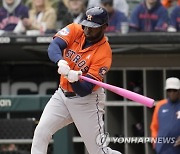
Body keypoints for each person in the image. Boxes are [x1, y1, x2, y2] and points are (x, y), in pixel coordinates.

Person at [31, 6, 122, 154]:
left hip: (87, 102)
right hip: (61, 96)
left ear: (104, 27)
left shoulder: (104, 53)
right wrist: (60, 61)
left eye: (93, 28)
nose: (88, 30)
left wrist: (73, 79)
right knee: (41, 132)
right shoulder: (75, 28)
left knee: (97, 151)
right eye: (87, 26)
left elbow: (84, 90)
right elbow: (54, 46)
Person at [150, 77, 180, 154]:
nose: (172, 93)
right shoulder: (160, 105)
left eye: (174, 90)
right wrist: (155, 143)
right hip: (163, 149)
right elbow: (154, 126)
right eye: (169, 90)